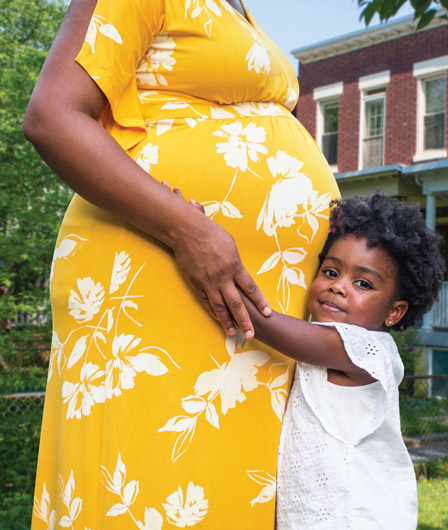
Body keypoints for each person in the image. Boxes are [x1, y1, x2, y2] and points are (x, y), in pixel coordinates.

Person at [24, 0, 338, 527]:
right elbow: (52, 116)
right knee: (149, 477)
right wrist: (190, 232)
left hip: (245, 313)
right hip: (159, 272)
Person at [235, 192, 445, 529]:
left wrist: (206, 255)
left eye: (363, 283)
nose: (339, 287)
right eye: (331, 272)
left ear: (394, 311)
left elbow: (262, 323)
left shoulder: (367, 350)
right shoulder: (324, 342)